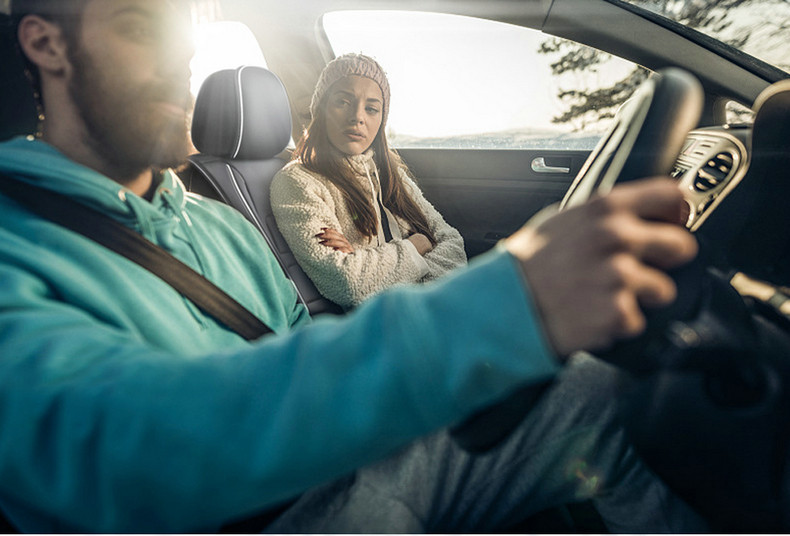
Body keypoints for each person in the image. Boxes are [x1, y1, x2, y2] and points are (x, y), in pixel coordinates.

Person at [0, 0, 705, 532]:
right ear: (46, 43)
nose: (178, 63)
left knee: (608, 392)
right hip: (257, 517)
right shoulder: (13, 247)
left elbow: (297, 342)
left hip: (332, 469)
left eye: (182, 40)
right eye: (138, 26)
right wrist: (509, 303)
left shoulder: (218, 225)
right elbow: (131, 453)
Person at [271, 53, 466, 309]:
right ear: (321, 109)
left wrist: (368, 263)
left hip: (434, 308)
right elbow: (348, 282)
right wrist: (417, 244)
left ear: (381, 120)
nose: (357, 117)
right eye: (343, 102)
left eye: (371, 109)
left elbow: (453, 245)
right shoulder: (297, 182)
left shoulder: (393, 175)